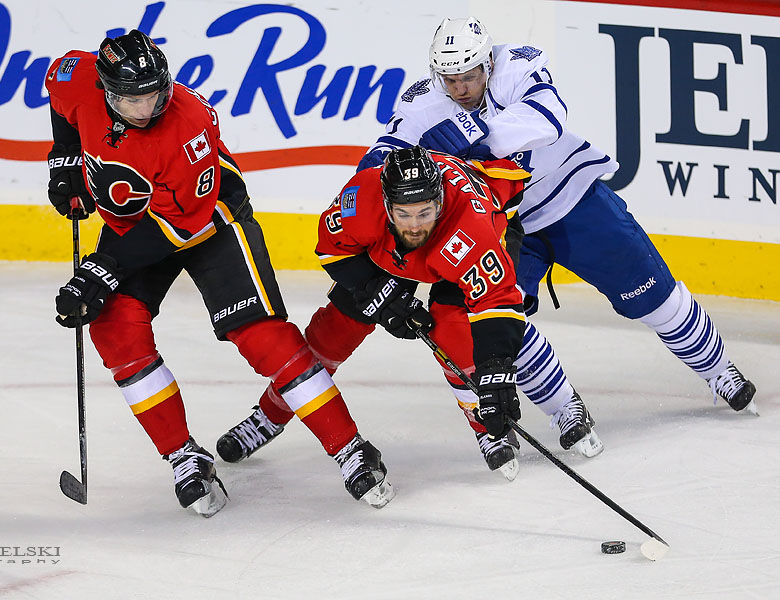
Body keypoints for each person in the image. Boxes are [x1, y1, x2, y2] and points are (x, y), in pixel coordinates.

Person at [44, 30, 394, 517]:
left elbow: (180, 224)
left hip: (209, 221)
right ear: (105, 89)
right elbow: (59, 89)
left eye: (154, 95)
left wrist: (103, 268)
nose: (146, 109)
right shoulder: (79, 77)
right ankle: (183, 456)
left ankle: (350, 448)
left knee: (262, 337)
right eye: (132, 99)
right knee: (114, 330)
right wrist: (64, 161)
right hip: (136, 225)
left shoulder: (186, 124)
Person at [356, 17, 757, 416]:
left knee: (654, 297)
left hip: (571, 200)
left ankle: (720, 371)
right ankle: (565, 410)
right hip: (499, 226)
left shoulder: (517, 65)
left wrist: (473, 131)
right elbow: (378, 162)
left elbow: (548, 117)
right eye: (450, 79)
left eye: (470, 76)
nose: (460, 89)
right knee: (500, 320)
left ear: (488, 63)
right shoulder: (422, 101)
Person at [223, 145, 534, 481]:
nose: (414, 226)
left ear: (440, 201)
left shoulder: (471, 225)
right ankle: (271, 414)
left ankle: (488, 427)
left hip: (467, 238)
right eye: (403, 214)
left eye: (424, 212)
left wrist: (496, 369)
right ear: (386, 205)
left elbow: (497, 301)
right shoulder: (361, 199)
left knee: (452, 330)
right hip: (394, 251)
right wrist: (377, 293)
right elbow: (333, 251)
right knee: (336, 330)